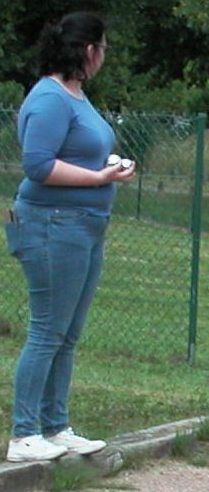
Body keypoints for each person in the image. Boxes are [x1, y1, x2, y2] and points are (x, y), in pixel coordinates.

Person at [5, 11, 136, 462]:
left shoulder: (77, 96)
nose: (105, 55)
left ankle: (55, 425)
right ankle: (24, 434)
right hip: (50, 225)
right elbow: (39, 166)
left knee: (67, 334)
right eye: (103, 47)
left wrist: (108, 173)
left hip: (83, 225)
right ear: (88, 50)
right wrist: (100, 177)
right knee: (47, 331)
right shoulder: (49, 98)